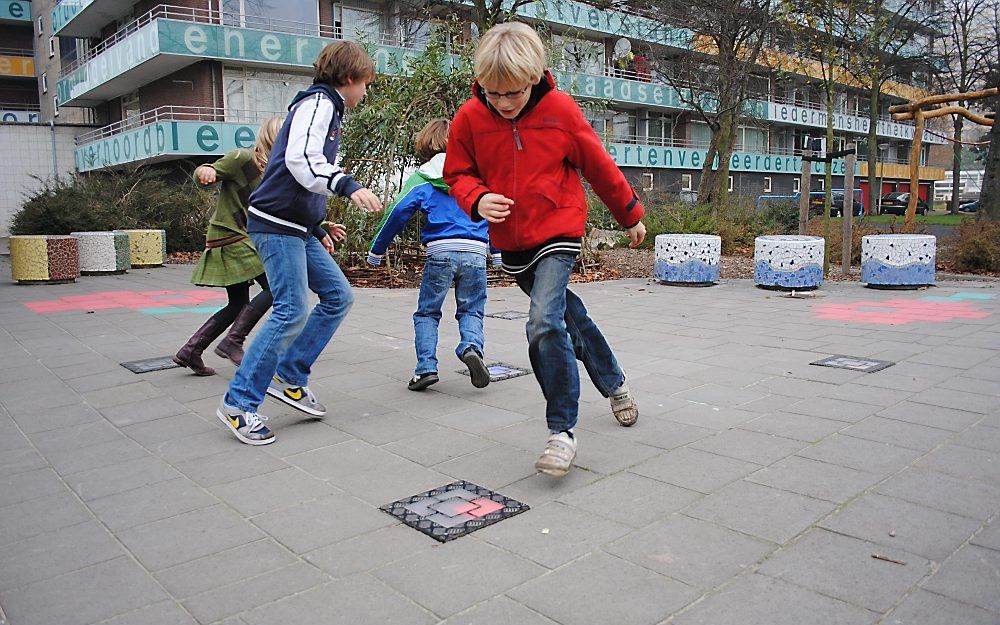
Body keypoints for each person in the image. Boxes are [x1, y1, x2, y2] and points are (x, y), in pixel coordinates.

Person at [444, 22, 647, 477]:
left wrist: (629, 213)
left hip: (558, 230)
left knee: (542, 322)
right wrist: (477, 197)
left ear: (535, 76)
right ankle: (614, 382)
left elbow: (596, 163)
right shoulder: (470, 118)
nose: (503, 103)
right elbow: (457, 173)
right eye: (494, 94)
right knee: (568, 318)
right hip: (512, 243)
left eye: (513, 93)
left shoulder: (559, 110)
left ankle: (562, 432)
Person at [216, 40, 383, 446]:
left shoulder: (328, 108)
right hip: (275, 226)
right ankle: (239, 403)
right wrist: (347, 185)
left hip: (297, 227)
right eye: (366, 83)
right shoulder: (319, 104)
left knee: (338, 297)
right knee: (290, 310)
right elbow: (302, 162)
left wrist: (319, 225)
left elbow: (298, 183)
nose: (367, 91)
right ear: (348, 78)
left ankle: (290, 375)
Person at [366, 118, 492, 392]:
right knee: (472, 309)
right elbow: (495, 211)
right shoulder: (478, 176)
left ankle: (425, 369)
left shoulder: (421, 178)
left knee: (427, 312)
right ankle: (471, 346)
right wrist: (499, 252)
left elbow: (396, 212)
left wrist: (377, 249)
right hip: (475, 253)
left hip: (440, 252)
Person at [174, 117, 281, 376]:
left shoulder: (274, 173)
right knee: (277, 286)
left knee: (237, 304)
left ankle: (191, 350)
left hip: (242, 238)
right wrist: (205, 171)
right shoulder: (243, 158)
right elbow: (206, 172)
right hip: (232, 236)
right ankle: (233, 341)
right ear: (273, 137)